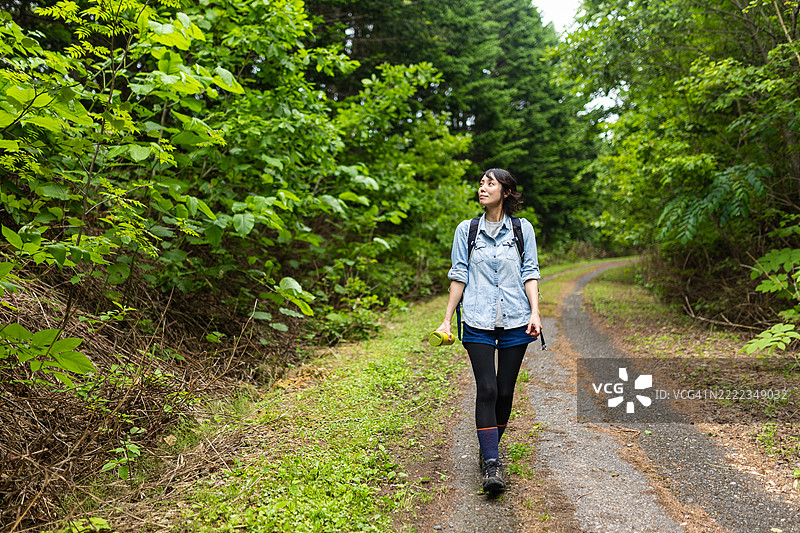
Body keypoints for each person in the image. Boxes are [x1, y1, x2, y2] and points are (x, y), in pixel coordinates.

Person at [435, 168, 541, 493]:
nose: (482, 188)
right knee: (488, 389)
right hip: (477, 321)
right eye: (481, 183)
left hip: (515, 320)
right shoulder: (466, 231)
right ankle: (492, 465)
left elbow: (530, 271)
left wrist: (535, 312)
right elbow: (459, 274)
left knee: (506, 392)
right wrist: (446, 318)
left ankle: (488, 447)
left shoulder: (522, 230)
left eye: (490, 183)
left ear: (506, 191)